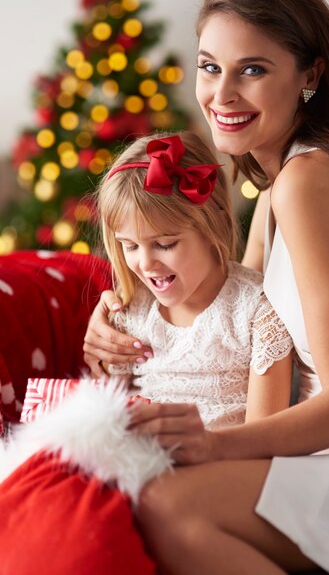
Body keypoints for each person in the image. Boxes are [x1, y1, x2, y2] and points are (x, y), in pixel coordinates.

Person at [83, 0, 329, 575]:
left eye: (253, 70)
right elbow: (226, 308)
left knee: (166, 507)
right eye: (210, 67)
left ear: (310, 76)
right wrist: (111, 317)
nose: (222, 94)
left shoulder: (310, 181)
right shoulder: (273, 193)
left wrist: (210, 445)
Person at [96, 130, 293, 431]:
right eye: (131, 246)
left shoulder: (257, 313)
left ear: (214, 221)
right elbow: (106, 414)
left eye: (165, 244)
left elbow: (263, 438)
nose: (146, 264)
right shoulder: (132, 310)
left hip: (223, 468)